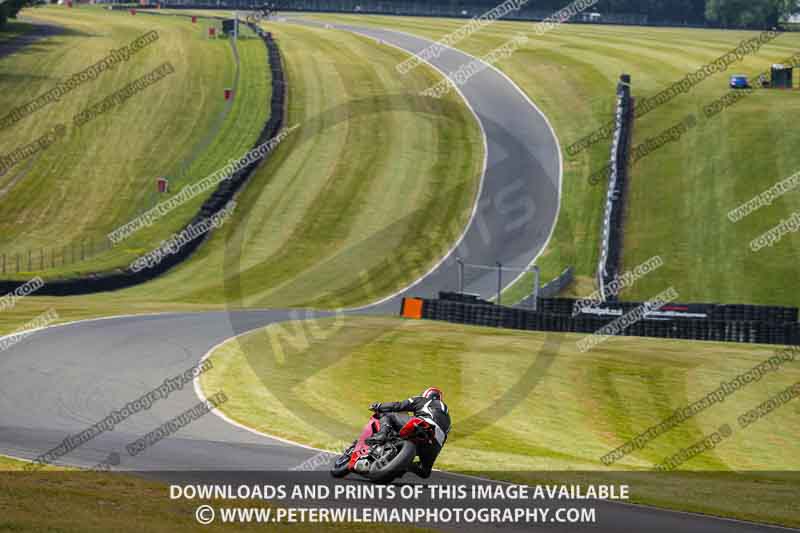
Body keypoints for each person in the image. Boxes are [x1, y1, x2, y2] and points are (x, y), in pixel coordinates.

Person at [366, 387, 451, 478]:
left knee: (389, 416)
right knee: (424, 471)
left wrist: (378, 406)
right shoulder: (448, 419)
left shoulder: (424, 400)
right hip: (435, 444)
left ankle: (381, 435)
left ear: (427, 395)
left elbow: (399, 406)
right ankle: (404, 466)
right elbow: (444, 439)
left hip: (423, 423)